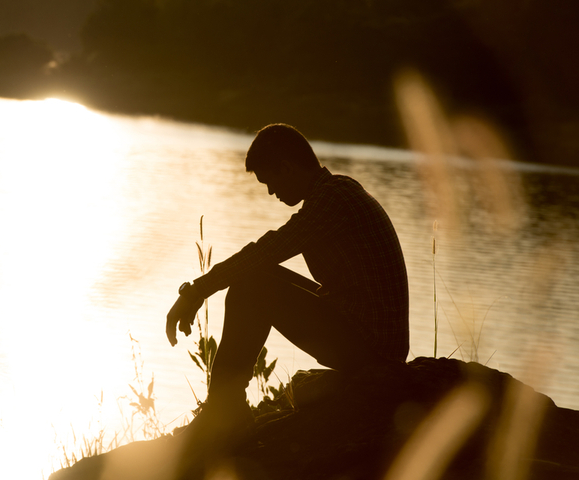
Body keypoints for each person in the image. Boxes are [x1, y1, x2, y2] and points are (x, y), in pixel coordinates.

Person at [166, 123, 409, 445]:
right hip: (369, 337)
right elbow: (267, 256)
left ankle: (225, 411)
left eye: (270, 181)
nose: (271, 193)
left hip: (373, 350)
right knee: (254, 279)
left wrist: (197, 290)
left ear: (287, 167)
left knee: (251, 287)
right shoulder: (336, 191)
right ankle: (225, 406)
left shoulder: (333, 201)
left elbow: (269, 249)